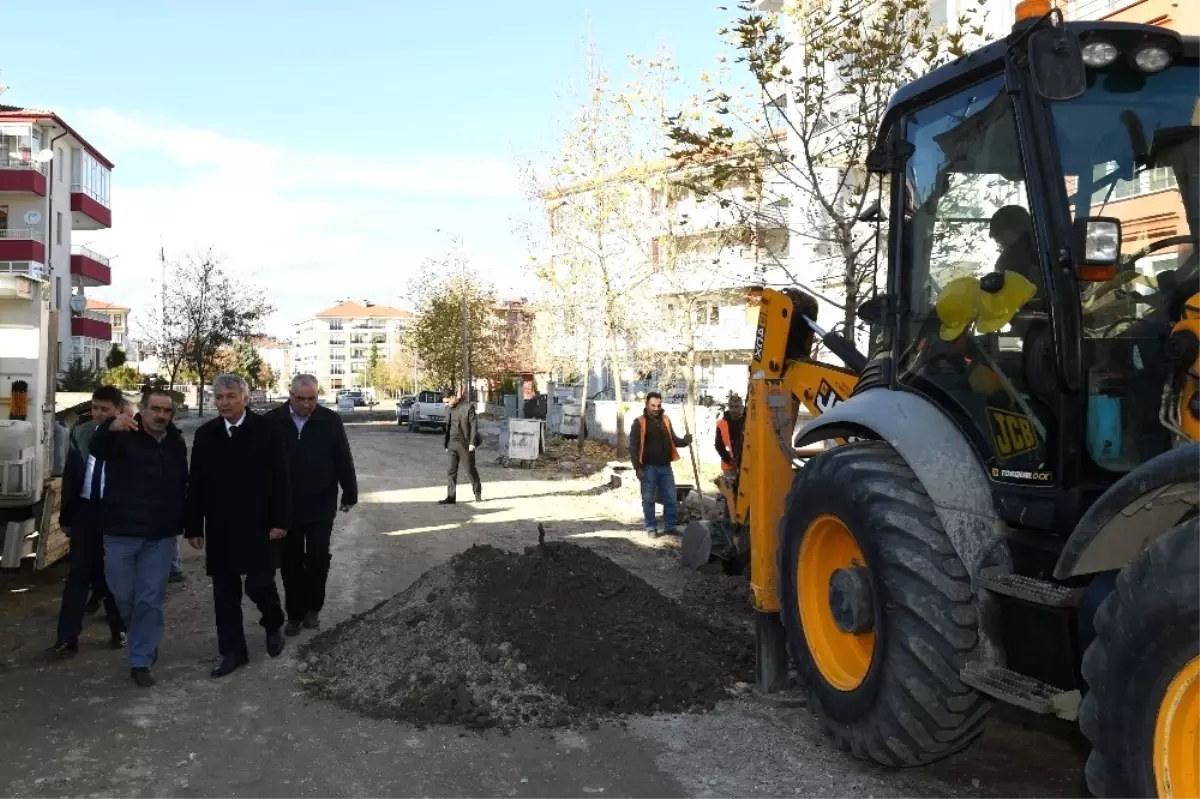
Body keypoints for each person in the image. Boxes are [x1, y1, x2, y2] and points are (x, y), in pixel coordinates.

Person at [185, 374, 291, 678]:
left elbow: (281, 478)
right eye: (218, 397)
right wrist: (194, 526)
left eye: (230, 396)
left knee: (260, 583)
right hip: (221, 526)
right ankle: (233, 651)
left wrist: (281, 520)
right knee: (224, 593)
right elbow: (197, 483)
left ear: (245, 398)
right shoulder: (207, 435)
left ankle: (273, 623)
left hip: (260, 524)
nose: (224, 403)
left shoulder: (267, 430)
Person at [90, 389, 189, 687]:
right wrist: (109, 428)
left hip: (159, 536)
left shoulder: (175, 442)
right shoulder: (123, 434)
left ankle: (141, 659)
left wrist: (182, 522)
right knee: (123, 595)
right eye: (155, 409)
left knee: (150, 599)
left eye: (166, 411)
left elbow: (181, 482)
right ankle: (144, 637)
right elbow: (95, 450)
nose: (160, 415)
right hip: (121, 532)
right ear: (142, 411)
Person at [265, 374, 357, 636]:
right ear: (290, 395)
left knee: (318, 558)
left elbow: (343, 458)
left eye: (312, 399)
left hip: (320, 503)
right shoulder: (272, 422)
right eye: (301, 399)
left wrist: (349, 493)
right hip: (286, 506)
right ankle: (293, 614)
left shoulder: (329, 420)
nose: (307, 404)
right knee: (291, 561)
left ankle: (312, 609)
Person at [47, 387, 129, 657]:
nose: (97, 414)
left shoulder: (129, 435)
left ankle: (119, 628)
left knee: (111, 575)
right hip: (85, 513)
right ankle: (67, 639)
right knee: (77, 577)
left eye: (104, 409)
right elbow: (71, 475)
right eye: (94, 408)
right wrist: (68, 517)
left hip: (115, 515)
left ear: (118, 409)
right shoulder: (81, 433)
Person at [628, 392, 692, 537]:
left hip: (665, 467)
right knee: (648, 499)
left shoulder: (666, 420)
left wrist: (685, 441)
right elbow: (633, 447)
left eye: (658, 405)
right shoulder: (639, 422)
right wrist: (637, 467)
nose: (656, 408)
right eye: (653, 405)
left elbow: (673, 440)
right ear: (647, 404)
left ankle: (670, 526)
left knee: (670, 498)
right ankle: (651, 527)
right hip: (648, 467)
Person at [439, 387, 481, 505]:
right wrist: (447, 443)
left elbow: (473, 426)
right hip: (451, 444)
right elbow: (448, 427)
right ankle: (451, 497)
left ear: (453, 397)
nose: (446, 404)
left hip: (465, 445)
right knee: (451, 471)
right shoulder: (448, 410)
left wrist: (472, 443)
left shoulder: (468, 407)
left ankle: (477, 492)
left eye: (447, 401)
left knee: (470, 470)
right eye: (445, 403)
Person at [990, 205, 1040, 281]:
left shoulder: (1006, 260)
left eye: (1000, 234)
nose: (998, 241)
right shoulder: (1005, 260)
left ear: (1018, 228)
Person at [715, 394, 745, 476]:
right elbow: (718, 445)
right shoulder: (722, 423)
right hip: (729, 465)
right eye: (731, 407)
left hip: (746, 464)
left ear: (742, 407)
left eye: (736, 407)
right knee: (731, 488)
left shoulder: (747, 423)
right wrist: (728, 459)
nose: (733, 409)